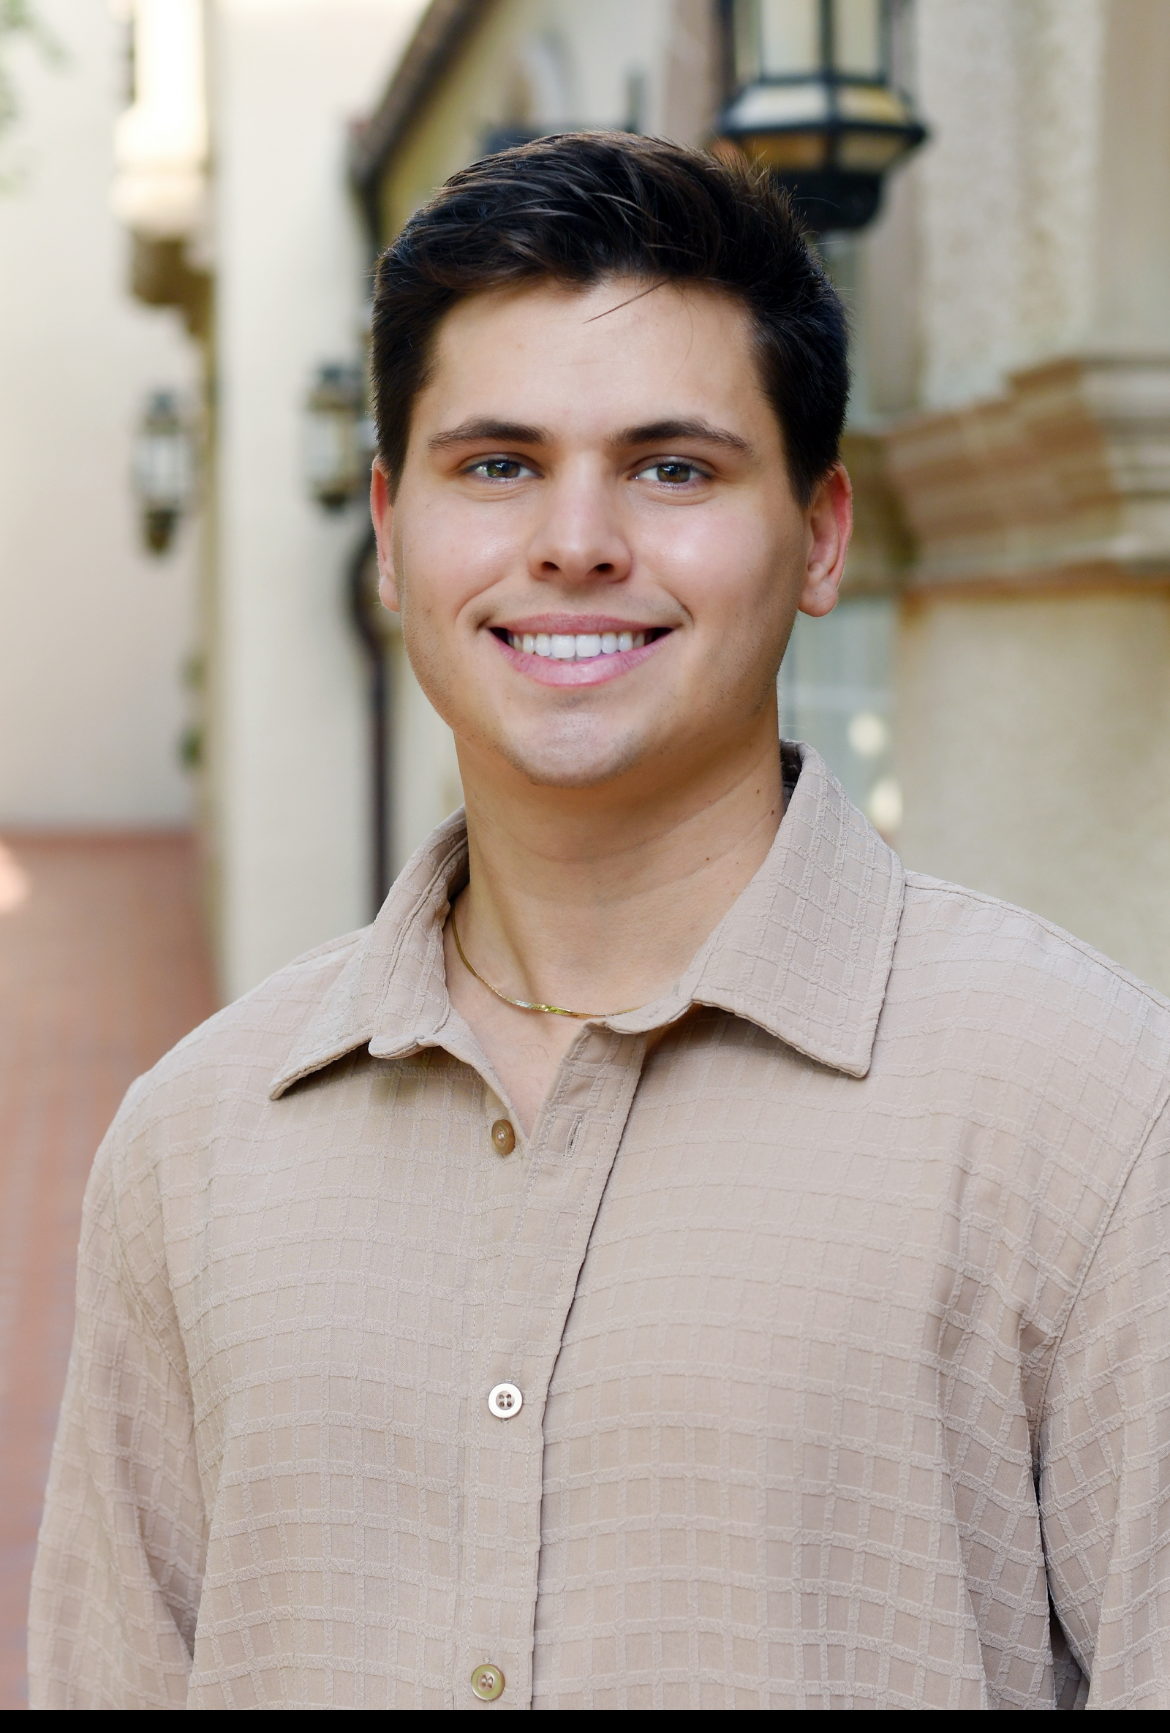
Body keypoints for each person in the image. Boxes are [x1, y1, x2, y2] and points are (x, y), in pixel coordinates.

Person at [30, 135, 1170, 1710]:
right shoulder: (193, 1145)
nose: (574, 540)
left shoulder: (1092, 1115)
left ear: (821, 533)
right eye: (495, 463)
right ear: (389, 529)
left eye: (672, 466)